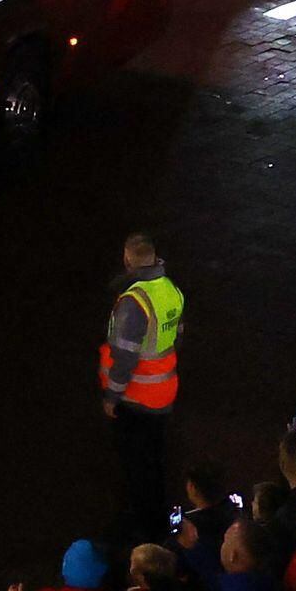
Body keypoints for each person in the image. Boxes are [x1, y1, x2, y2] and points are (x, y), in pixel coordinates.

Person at [98, 230, 183, 547]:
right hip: (164, 392)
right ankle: (157, 518)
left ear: (127, 258)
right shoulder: (170, 290)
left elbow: (124, 358)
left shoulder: (134, 303)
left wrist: (112, 396)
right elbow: (176, 334)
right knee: (156, 459)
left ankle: (142, 529)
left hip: (137, 398)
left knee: (136, 466)